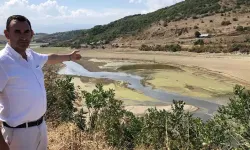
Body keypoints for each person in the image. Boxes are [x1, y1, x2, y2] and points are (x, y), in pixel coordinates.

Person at [0, 15, 82, 150]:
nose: (23, 36)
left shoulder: (31, 55)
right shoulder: (3, 62)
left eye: (26, 32)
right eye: (17, 32)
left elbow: (49, 58)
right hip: (18, 134)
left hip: (40, 127)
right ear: (7, 34)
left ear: (32, 34)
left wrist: (69, 57)